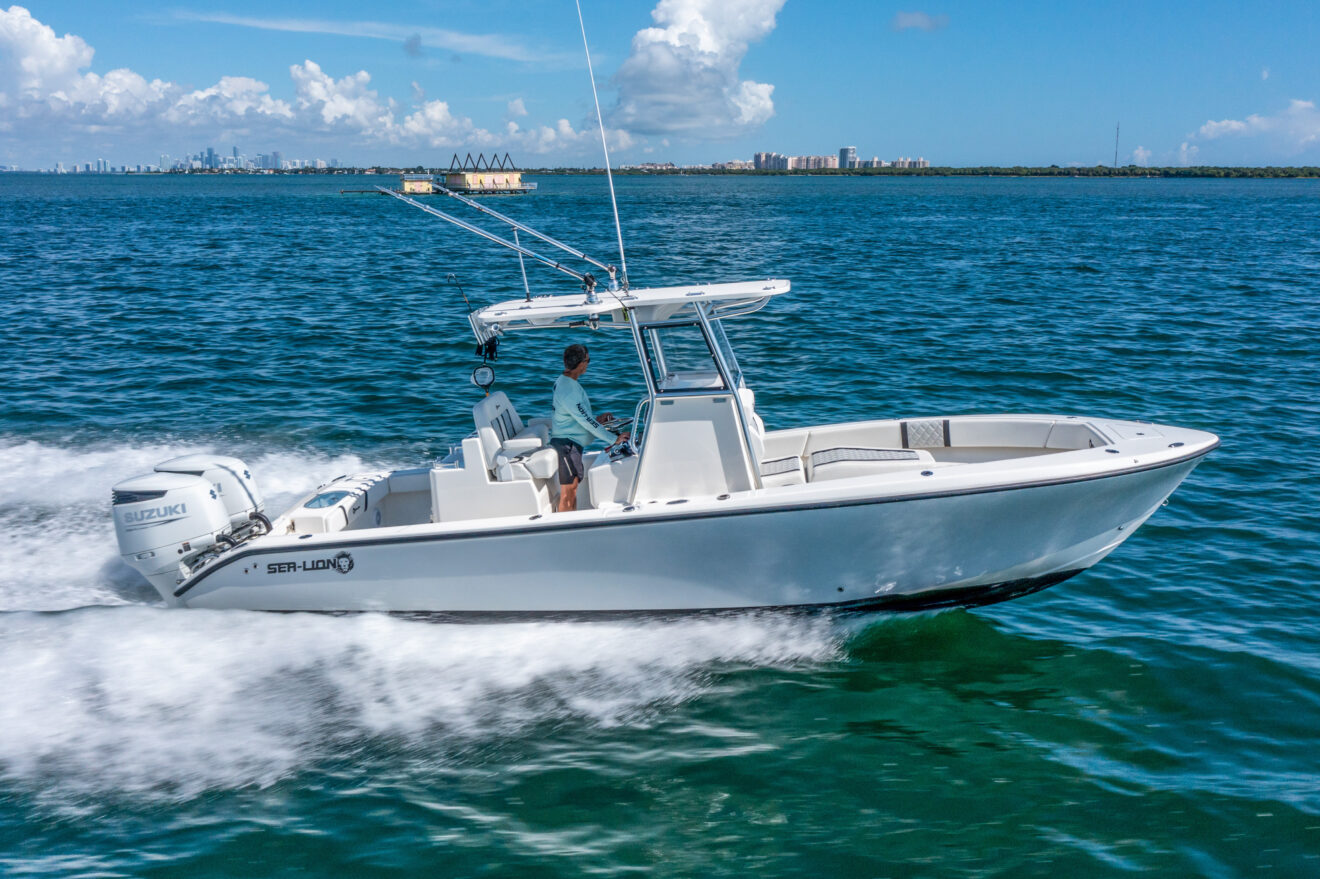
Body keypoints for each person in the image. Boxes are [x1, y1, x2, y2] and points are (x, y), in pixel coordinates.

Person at [550, 343, 629, 512]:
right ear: (580, 364)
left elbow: (578, 416)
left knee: (573, 489)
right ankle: (565, 530)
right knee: (568, 492)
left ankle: (570, 524)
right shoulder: (569, 390)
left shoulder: (566, 381)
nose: (588, 364)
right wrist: (614, 439)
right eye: (588, 360)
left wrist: (599, 420)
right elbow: (586, 421)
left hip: (571, 442)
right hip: (567, 445)